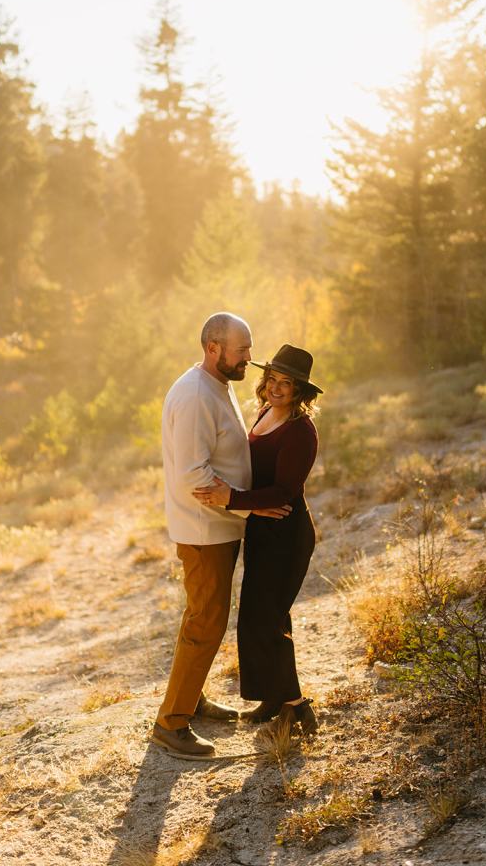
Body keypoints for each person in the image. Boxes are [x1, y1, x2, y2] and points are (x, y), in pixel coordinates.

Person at [151, 313, 291, 761]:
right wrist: (248, 503)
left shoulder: (217, 383)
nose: (250, 359)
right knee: (205, 624)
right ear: (214, 347)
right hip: (204, 530)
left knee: (202, 618)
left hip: (219, 525)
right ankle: (171, 725)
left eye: (249, 348)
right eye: (242, 350)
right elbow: (195, 477)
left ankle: (190, 701)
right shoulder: (195, 396)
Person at [193, 344, 322, 736]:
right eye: (273, 380)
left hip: (287, 532)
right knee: (260, 617)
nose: (277, 388)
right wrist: (245, 505)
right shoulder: (265, 413)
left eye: (288, 383)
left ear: (300, 392)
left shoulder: (301, 431)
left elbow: (284, 491)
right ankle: (273, 698)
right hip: (262, 531)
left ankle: (298, 709)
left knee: (265, 621)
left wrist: (230, 499)